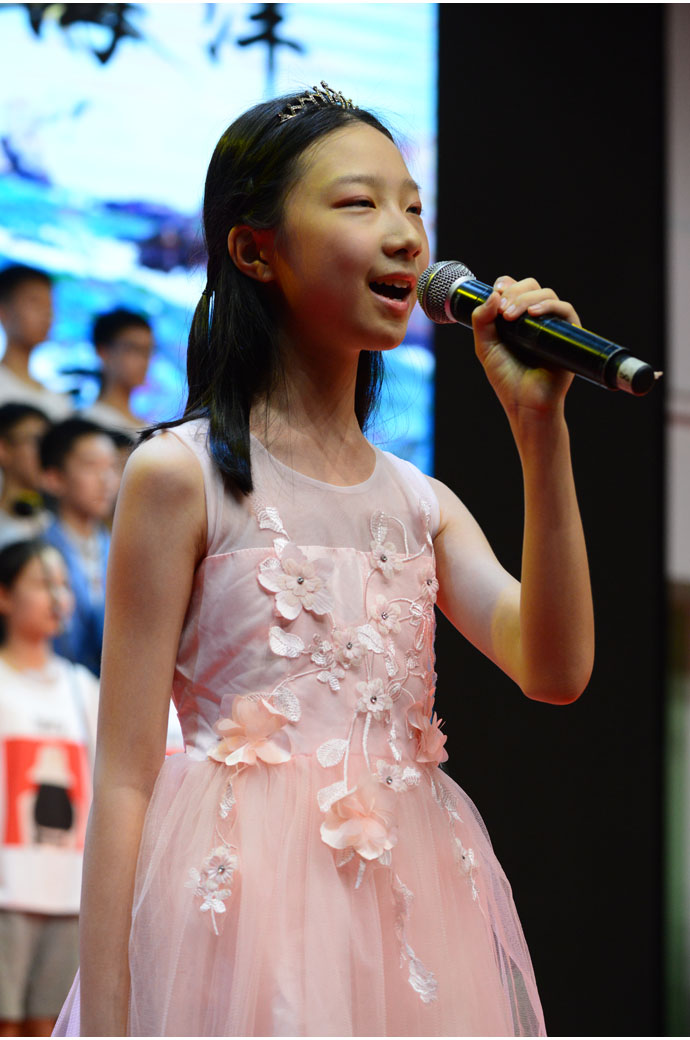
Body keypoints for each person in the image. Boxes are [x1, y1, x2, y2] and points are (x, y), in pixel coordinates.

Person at [55, 84, 594, 1037]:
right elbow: (128, 778)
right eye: (359, 203)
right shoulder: (181, 476)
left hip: (409, 919)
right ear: (253, 250)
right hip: (231, 923)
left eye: (412, 208)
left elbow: (555, 668)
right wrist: (106, 1022)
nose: (405, 236)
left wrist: (538, 429)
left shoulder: (420, 504)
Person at [0, 539, 98, 1037]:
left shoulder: (83, 687)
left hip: (68, 893)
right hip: (7, 891)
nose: (58, 597)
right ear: (4, 596)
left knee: (51, 1023)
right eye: (42, 584)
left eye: (63, 584)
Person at [40, 419, 119, 676]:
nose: (106, 480)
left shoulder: (125, 551)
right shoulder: (38, 551)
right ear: (54, 478)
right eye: (91, 466)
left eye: (112, 467)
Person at [0, 266, 71, 422]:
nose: (47, 314)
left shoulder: (59, 401)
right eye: (35, 303)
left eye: (49, 306)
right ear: (3, 311)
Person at [81, 308, 153, 437]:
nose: (144, 361)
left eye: (148, 352)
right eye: (134, 349)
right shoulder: (88, 422)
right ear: (103, 352)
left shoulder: (150, 430)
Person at [0, 403, 52, 549]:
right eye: (37, 442)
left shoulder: (54, 525)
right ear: (3, 449)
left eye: (49, 445)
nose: (46, 453)